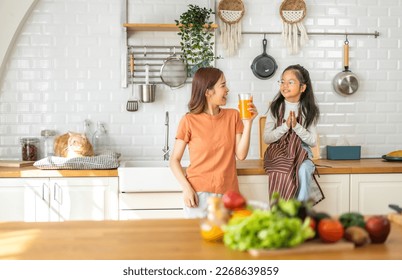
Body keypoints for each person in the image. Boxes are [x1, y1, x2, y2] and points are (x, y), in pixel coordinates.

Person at [170, 67, 258, 218]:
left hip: (229, 195)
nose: (227, 90)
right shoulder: (189, 120)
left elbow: (241, 155)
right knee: (197, 241)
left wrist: (248, 123)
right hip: (198, 195)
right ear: (208, 91)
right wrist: (186, 188)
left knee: (227, 240)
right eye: (223, 85)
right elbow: (174, 160)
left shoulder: (233, 116)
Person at [263, 64, 324, 204]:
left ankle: (300, 210)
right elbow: (267, 138)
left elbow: (313, 141)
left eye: (291, 82)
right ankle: (281, 210)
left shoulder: (309, 110)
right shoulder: (275, 108)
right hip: (278, 153)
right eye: (282, 81)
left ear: (302, 88)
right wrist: (285, 126)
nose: (285, 85)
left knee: (304, 170)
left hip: (302, 154)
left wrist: (296, 127)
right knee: (282, 171)